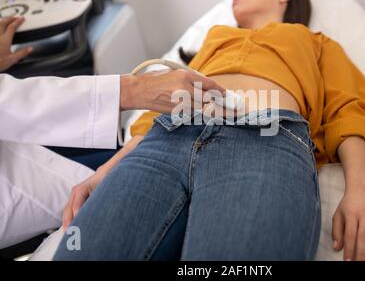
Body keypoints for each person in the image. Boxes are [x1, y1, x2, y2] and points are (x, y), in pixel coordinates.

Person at [54, 0, 365, 261]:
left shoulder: (313, 41)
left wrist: (360, 189)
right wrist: (106, 169)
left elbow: (348, 110)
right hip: (168, 134)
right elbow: (154, 113)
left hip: (263, 140)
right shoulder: (214, 40)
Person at [0, 16, 225, 249]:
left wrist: (108, 169)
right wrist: (133, 91)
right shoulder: (215, 40)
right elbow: (154, 123)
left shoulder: (253, 38)